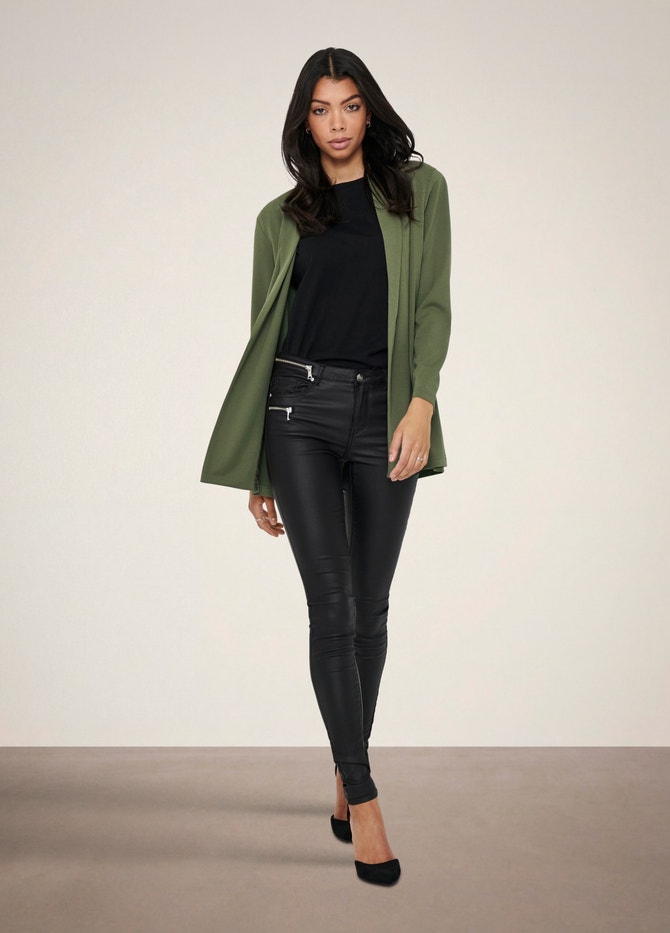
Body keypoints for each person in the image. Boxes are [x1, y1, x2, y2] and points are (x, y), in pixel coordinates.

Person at [201, 47, 451, 886]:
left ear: (368, 111)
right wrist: (259, 470)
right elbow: (262, 336)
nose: (337, 123)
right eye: (320, 108)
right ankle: (366, 797)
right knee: (332, 606)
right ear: (303, 121)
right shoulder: (279, 219)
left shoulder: (419, 193)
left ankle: (346, 766)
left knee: (372, 607)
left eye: (349, 105)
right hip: (296, 415)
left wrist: (421, 402)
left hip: (388, 413)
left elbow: (433, 305)